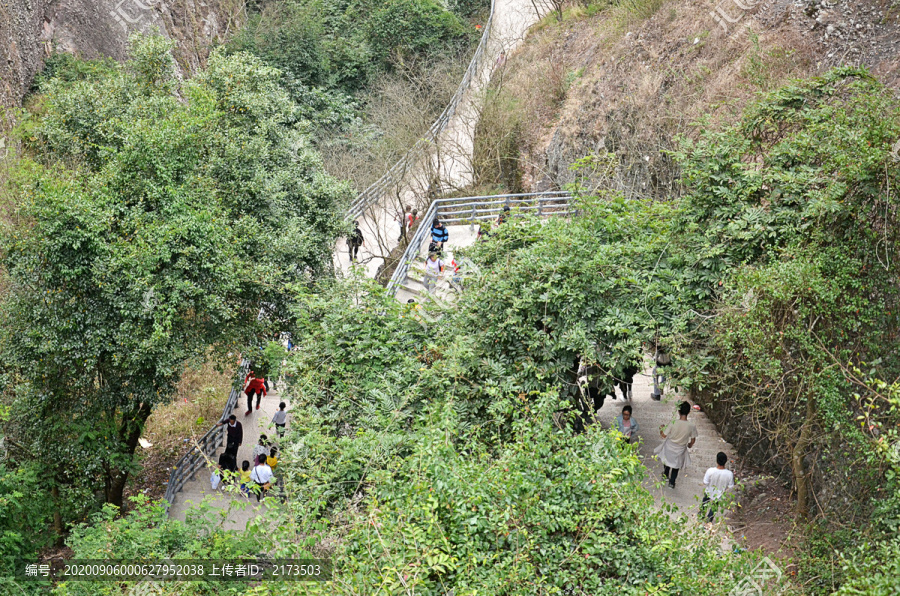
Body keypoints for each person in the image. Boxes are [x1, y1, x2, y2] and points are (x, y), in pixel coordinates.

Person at [654, 401, 698, 489]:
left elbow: (663, 435)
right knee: (676, 465)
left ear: (678, 411)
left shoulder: (673, 422)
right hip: (680, 448)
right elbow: (693, 440)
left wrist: (661, 428)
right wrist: (689, 445)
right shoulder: (691, 426)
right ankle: (672, 482)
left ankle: (665, 475)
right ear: (689, 412)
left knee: (667, 460)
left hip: (670, 446)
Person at [701, 452, 735, 523]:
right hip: (720, 495)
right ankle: (708, 521)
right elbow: (731, 487)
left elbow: (705, 482)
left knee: (704, 502)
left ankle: (701, 515)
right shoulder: (729, 474)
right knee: (714, 508)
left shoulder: (710, 471)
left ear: (717, 461)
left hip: (709, 491)